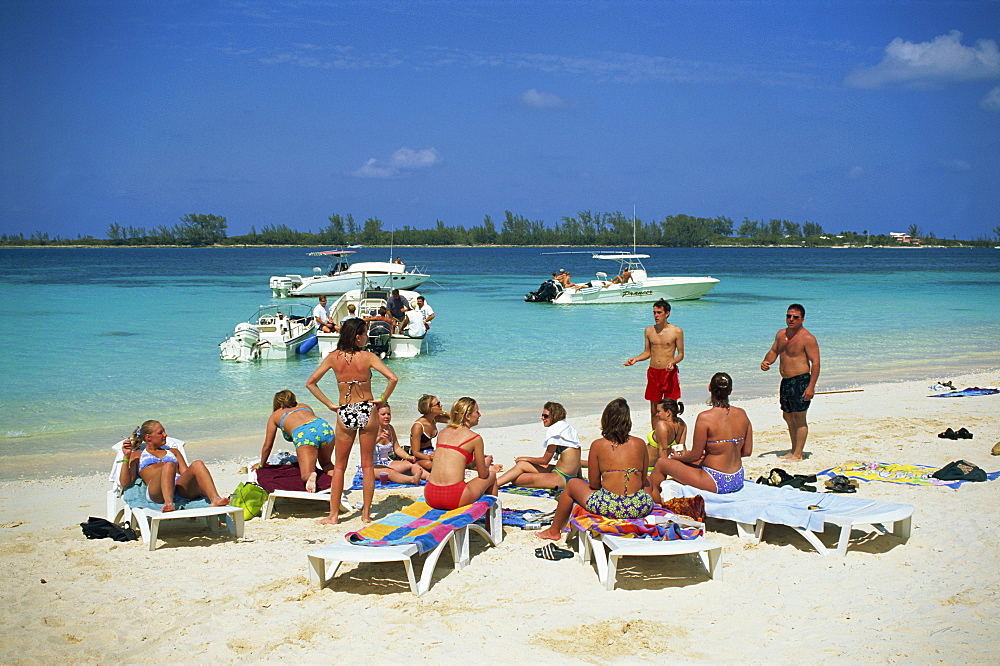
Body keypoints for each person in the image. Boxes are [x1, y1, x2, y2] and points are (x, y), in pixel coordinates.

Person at [305, 318, 398, 524]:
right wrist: (382, 399)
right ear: (357, 337)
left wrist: (329, 404)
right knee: (367, 465)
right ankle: (365, 515)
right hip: (367, 408)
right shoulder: (367, 357)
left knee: (339, 466)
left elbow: (310, 383)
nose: (367, 337)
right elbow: (393, 378)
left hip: (345, 410)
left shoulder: (333, 358)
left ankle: (333, 515)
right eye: (365, 334)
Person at [537, 398, 653, 541]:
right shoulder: (640, 443)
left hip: (610, 506)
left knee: (572, 484)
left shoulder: (598, 445)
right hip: (639, 506)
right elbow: (642, 480)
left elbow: (594, 484)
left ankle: (554, 531)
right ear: (627, 420)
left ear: (606, 420)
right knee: (648, 480)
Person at [647, 372, 753, 503]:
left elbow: (695, 455)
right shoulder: (742, 414)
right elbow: (747, 452)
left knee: (662, 463)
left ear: (709, 388)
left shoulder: (705, 417)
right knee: (694, 461)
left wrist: (678, 457)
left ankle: (650, 501)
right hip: (737, 478)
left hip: (716, 480)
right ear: (730, 391)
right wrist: (718, 454)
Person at [119, 420, 230, 512]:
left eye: (164, 431)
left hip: (180, 490)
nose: (165, 435)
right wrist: (126, 456)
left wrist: (203, 492)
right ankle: (169, 503)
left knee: (197, 464)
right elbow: (125, 483)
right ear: (148, 438)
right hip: (157, 492)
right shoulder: (137, 456)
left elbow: (187, 474)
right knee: (169, 466)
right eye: (160, 432)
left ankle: (215, 498)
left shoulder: (174, 452)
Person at [761, 303, 820, 462]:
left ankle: (798, 454)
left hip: (800, 381)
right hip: (785, 381)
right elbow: (774, 351)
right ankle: (794, 449)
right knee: (787, 415)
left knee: (799, 417)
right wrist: (767, 361)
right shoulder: (781, 334)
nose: (791, 319)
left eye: (796, 317)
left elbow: (815, 363)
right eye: (789, 316)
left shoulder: (807, 338)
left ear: (802, 320)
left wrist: (811, 387)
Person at [424, 397, 501, 510]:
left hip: (430, 494)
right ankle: (491, 523)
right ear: (468, 416)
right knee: (491, 475)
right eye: (477, 412)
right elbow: (482, 475)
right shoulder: (475, 438)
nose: (479, 415)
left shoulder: (443, 433)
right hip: (453, 497)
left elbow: (451, 463)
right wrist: (487, 465)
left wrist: (471, 464)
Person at [255, 390, 334, 493]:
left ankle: (311, 475)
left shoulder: (275, 415)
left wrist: (262, 465)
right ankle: (337, 485)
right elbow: (312, 426)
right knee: (326, 463)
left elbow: (267, 446)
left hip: (304, 434)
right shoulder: (304, 406)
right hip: (324, 427)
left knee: (306, 474)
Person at [624, 299, 685, 428]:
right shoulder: (649, 331)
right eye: (654, 313)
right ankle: (656, 437)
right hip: (653, 372)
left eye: (659, 312)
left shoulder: (676, 331)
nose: (656, 315)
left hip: (669, 373)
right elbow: (647, 352)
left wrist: (672, 362)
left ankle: (671, 436)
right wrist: (636, 359)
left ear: (667, 313)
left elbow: (680, 355)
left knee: (670, 410)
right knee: (654, 410)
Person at [497, 401, 581, 489]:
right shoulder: (568, 428)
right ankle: (495, 483)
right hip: (571, 476)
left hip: (561, 478)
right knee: (522, 465)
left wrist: (526, 458)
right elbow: (577, 459)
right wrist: (579, 478)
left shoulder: (555, 432)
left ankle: (494, 484)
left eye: (545, 416)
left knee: (516, 479)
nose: (542, 418)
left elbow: (545, 460)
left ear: (554, 416)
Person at [373, 403, 429, 485]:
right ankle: (412, 479)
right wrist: (378, 439)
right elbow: (365, 449)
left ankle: (430, 477)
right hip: (371, 466)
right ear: (376, 415)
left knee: (412, 464)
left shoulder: (390, 428)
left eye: (388, 414)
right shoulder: (371, 429)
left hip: (386, 463)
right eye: (383, 414)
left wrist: (408, 457)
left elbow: (397, 448)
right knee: (390, 472)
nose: (387, 416)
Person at [409, 394, 449, 470]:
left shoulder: (434, 419)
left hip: (431, 452)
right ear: (430, 408)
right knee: (432, 465)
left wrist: (443, 412)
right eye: (438, 404)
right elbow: (415, 452)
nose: (441, 405)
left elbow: (456, 419)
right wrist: (429, 457)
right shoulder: (418, 426)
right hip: (420, 457)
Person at [646, 398, 687, 464]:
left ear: (668, 412)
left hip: (649, 466)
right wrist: (686, 465)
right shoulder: (681, 424)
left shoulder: (662, 425)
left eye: (658, 411)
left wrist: (664, 471)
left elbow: (663, 450)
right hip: (658, 464)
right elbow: (681, 447)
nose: (656, 414)